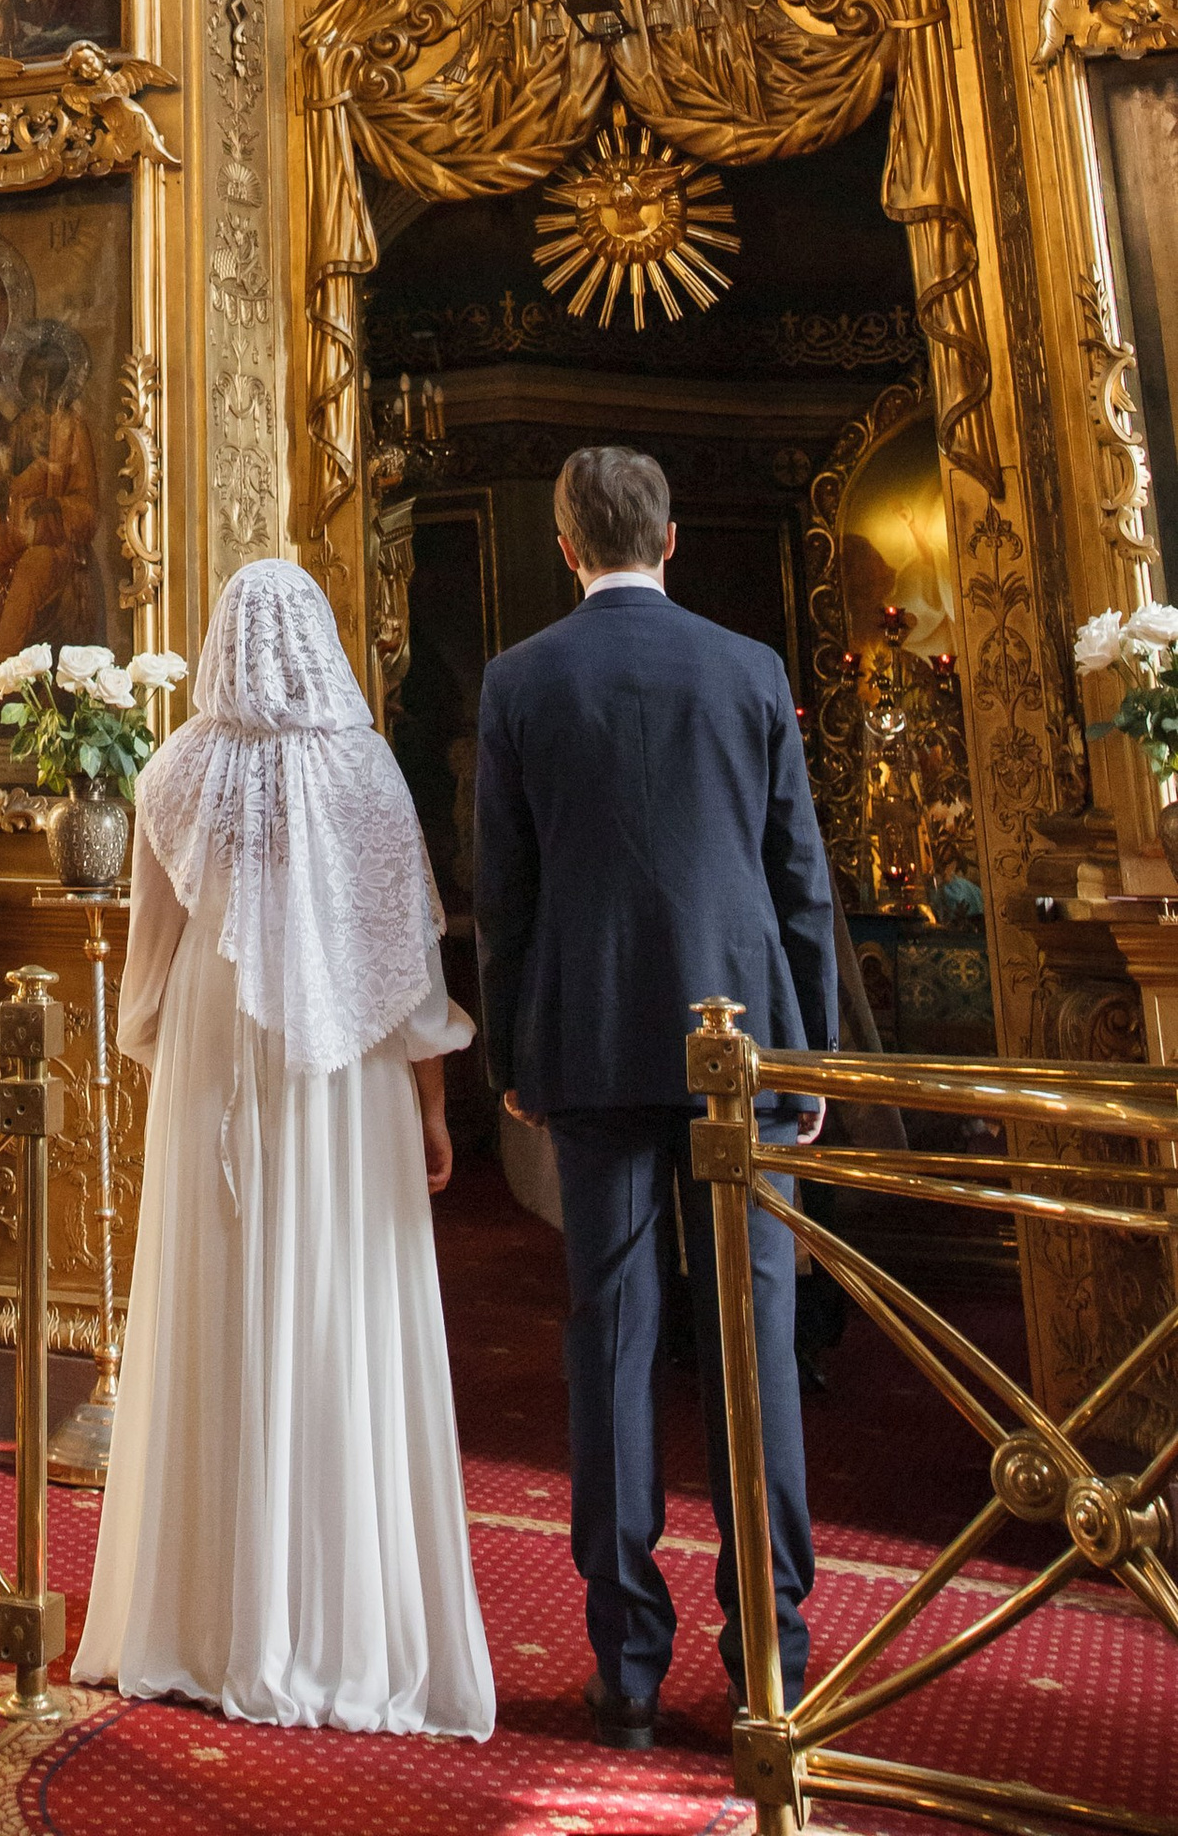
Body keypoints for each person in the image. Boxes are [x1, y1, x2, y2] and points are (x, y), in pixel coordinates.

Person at [75, 560, 494, 1738]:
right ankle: (337, 1617)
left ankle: (196, 1620)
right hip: (344, 1068)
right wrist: (426, 1107)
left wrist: (178, 1055)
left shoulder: (173, 770)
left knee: (219, 1307)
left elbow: (147, 974)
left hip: (216, 1052)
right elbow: (411, 957)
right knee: (333, 1311)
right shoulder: (366, 770)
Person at [474, 446, 836, 1751]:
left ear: (567, 547)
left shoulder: (519, 681)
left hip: (587, 1039)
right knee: (756, 1347)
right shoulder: (748, 671)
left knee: (610, 1344)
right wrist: (813, 1055)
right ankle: (771, 1659)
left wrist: (512, 1055)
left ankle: (626, 1668)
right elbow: (799, 878)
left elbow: (503, 896)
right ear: (670, 541)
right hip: (743, 1059)